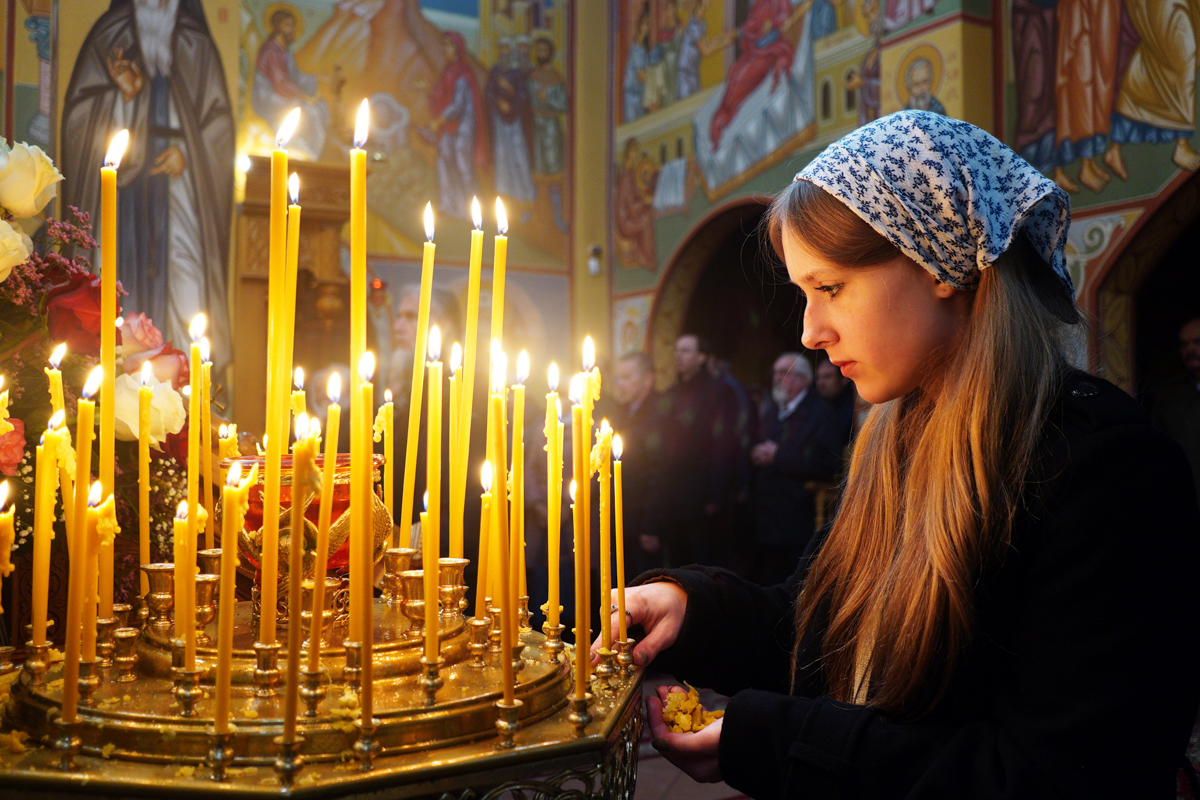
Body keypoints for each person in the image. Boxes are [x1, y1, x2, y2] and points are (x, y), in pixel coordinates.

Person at [605, 111, 1200, 798]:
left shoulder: (1106, 474)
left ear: (937, 261)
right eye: (804, 295)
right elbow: (819, 632)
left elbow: (1048, 776)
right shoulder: (895, 438)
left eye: (830, 288)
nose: (810, 332)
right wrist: (693, 609)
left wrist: (771, 740)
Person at [61, 0, 234, 378]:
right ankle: (107, 384)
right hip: (120, 193)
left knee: (186, 281)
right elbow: (79, 117)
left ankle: (185, 395)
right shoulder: (109, 35)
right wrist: (124, 96)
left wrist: (188, 152)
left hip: (180, 186)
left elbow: (218, 123)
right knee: (112, 272)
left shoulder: (196, 43)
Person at [749, 353, 844, 585]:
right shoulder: (771, 410)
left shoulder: (821, 412)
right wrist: (755, 453)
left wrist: (778, 456)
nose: (776, 378)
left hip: (797, 519)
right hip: (767, 515)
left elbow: (827, 462)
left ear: (803, 380)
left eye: (784, 373)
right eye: (775, 373)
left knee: (791, 586)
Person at [659, 334, 738, 567]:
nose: (678, 356)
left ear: (701, 357)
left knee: (704, 562)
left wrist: (716, 494)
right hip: (674, 494)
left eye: (685, 350)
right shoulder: (671, 394)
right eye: (676, 350)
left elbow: (724, 444)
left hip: (703, 492)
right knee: (676, 562)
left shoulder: (718, 392)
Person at [611, 352, 671, 575]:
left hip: (644, 522)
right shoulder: (622, 412)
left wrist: (650, 526)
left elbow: (661, 473)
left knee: (645, 583)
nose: (619, 384)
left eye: (626, 377)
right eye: (618, 377)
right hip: (622, 517)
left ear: (647, 379)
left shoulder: (661, 414)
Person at [252, 6, 330, 160]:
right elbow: (280, 83)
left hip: (283, 92)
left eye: (293, 25)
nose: (292, 29)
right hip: (268, 96)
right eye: (288, 25)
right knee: (310, 111)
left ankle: (312, 149)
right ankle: (310, 153)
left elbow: (295, 76)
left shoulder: (284, 50)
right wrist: (305, 97)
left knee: (321, 106)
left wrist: (316, 79)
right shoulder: (270, 50)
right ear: (277, 27)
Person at [428, 32, 486, 220]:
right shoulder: (449, 70)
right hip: (449, 124)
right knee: (444, 160)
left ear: (458, 49)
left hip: (463, 125)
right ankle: (448, 204)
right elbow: (443, 94)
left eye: (449, 46)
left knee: (463, 165)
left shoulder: (463, 73)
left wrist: (439, 120)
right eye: (444, 45)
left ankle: (472, 210)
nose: (446, 50)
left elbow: (458, 104)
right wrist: (429, 90)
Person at [1151, 317, 1200, 507]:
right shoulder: (1169, 394)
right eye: (1184, 344)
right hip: (1182, 500)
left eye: (1197, 342)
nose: (1190, 350)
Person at [485, 38, 536, 204]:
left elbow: (524, 95)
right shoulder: (496, 71)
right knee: (502, 155)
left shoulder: (518, 73)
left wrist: (510, 91)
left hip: (516, 121)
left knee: (519, 155)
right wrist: (499, 101)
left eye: (507, 48)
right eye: (502, 48)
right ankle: (504, 192)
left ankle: (525, 194)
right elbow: (488, 92)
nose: (504, 51)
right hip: (499, 119)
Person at [814, 356, 855, 442]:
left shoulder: (854, 408)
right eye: (819, 377)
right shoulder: (813, 405)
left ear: (843, 379)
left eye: (828, 377)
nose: (821, 382)